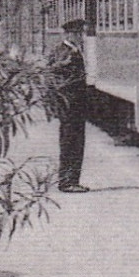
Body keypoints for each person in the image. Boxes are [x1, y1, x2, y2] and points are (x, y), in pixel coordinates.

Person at [48, 18, 89, 193]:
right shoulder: (64, 51)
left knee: (76, 142)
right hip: (69, 104)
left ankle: (72, 180)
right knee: (70, 142)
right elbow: (54, 72)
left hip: (76, 104)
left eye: (81, 33)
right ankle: (67, 182)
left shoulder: (72, 50)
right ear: (70, 34)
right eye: (78, 33)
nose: (81, 36)